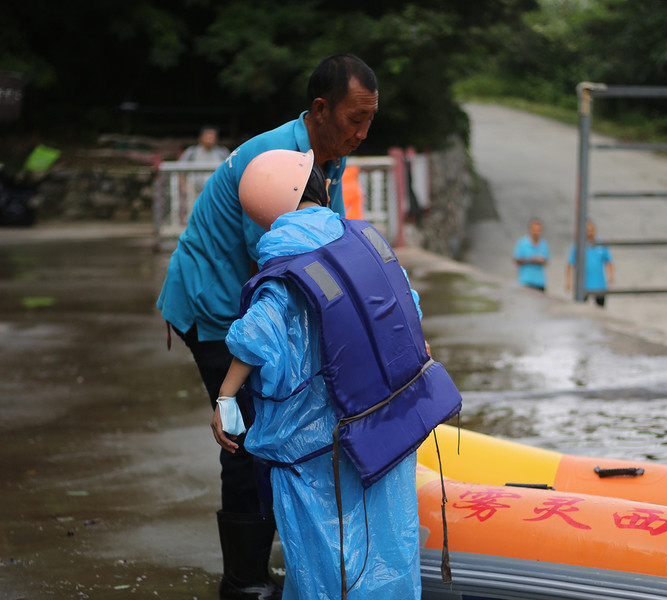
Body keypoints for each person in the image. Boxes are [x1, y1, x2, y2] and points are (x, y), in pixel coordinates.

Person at [156, 54, 379, 600]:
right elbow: (284, 280)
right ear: (320, 109)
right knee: (247, 437)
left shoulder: (329, 157)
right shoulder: (276, 161)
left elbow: (332, 239)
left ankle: (261, 566)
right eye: (354, 118)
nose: (362, 132)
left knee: (271, 427)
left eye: (370, 119)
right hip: (213, 306)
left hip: (247, 296)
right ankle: (244, 582)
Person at [211, 149, 461, 599]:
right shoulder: (362, 243)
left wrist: (226, 398)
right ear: (321, 188)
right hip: (384, 432)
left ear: (264, 216)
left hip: (315, 451)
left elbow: (255, 337)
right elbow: (406, 303)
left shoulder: (282, 274)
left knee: (326, 559)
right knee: (388, 543)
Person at [565, 219, 615, 307]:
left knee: (600, 310)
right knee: (581, 309)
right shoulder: (578, 244)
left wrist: (611, 276)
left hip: (599, 284)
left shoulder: (601, 243)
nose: (590, 232)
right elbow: (570, 264)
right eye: (587, 230)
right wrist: (568, 281)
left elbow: (608, 261)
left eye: (591, 230)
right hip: (583, 285)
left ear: (595, 230)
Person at [178, 125, 230, 204]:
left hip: (217, 194)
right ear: (200, 138)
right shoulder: (191, 152)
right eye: (207, 136)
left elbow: (229, 172)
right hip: (194, 194)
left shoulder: (222, 152)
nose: (210, 139)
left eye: (212, 137)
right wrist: (186, 189)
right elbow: (180, 172)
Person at [513, 218, 549, 292]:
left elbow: (546, 260)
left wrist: (542, 260)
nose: (536, 232)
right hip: (526, 281)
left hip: (540, 282)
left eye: (538, 230)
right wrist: (531, 260)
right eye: (534, 230)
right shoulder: (523, 243)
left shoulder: (543, 244)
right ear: (530, 230)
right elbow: (516, 260)